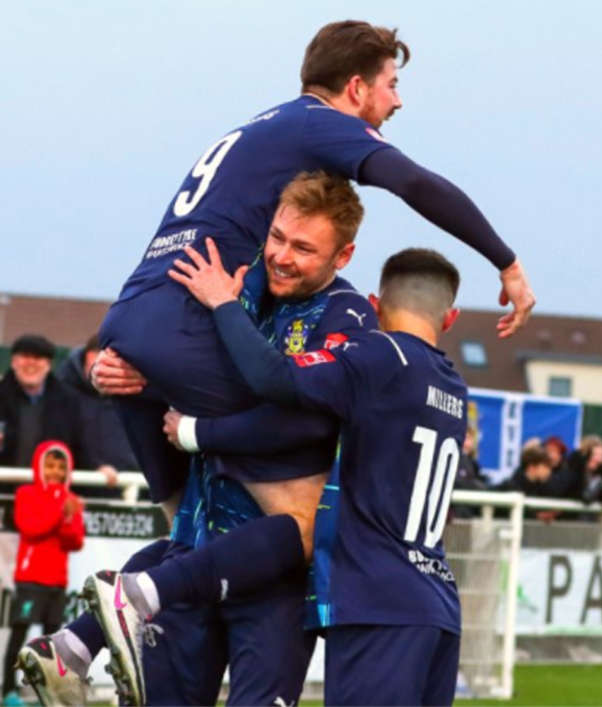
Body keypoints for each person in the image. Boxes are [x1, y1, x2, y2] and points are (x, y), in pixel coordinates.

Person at [93, 19, 534, 525]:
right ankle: (154, 594)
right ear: (356, 88)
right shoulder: (320, 124)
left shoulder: (261, 127)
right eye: (392, 85)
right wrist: (506, 260)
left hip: (131, 320)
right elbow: (413, 182)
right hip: (188, 322)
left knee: (187, 525)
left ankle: (152, 592)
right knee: (303, 512)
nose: (397, 102)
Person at [25, 172, 376, 706]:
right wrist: (118, 378)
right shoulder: (231, 277)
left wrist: (197, 426)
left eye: (304, 248)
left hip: (273, 581)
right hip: (191, 552)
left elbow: (306, 419)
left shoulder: (346, 315)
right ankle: (82, 639)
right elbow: (161, 359)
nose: (281, 255)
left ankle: (82, 637)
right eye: (278, 237)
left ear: (343, 256)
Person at [88, 247, 467, 706]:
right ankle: (112, 614)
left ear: (373, 306)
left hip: (376, 596)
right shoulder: (452, 384)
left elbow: (277, 380)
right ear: (451, 319)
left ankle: (136, 597)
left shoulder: (376, 356)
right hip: (438, 599)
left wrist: (197, 420)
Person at [3, 441, 84, 707]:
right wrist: (61, 512)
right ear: (39, 465)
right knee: (19, 634)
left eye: (61, 467)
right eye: (50, 465)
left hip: (57, 581)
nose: (55, 472)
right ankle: (8, 692)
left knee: (52, 643)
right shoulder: (26, 493)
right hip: (30, 578)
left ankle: (46, 693)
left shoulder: (71, 500)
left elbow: (74, 542)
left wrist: (70, 518)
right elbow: (31, 528)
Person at [56, 335, 139, 496]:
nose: (99, 373)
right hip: (78, 492)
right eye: (93, 366)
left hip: (128, 488)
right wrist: (95, 467)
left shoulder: (133, 397)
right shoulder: (65, 396)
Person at [0, 336, 84, 494]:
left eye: (38, 357)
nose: (31, 363)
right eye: (25, 356)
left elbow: (81, 446)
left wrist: (100, 466)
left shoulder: (68, 401)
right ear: (13, 362)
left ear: (48, 364)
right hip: (4, 494)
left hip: (49, 498)